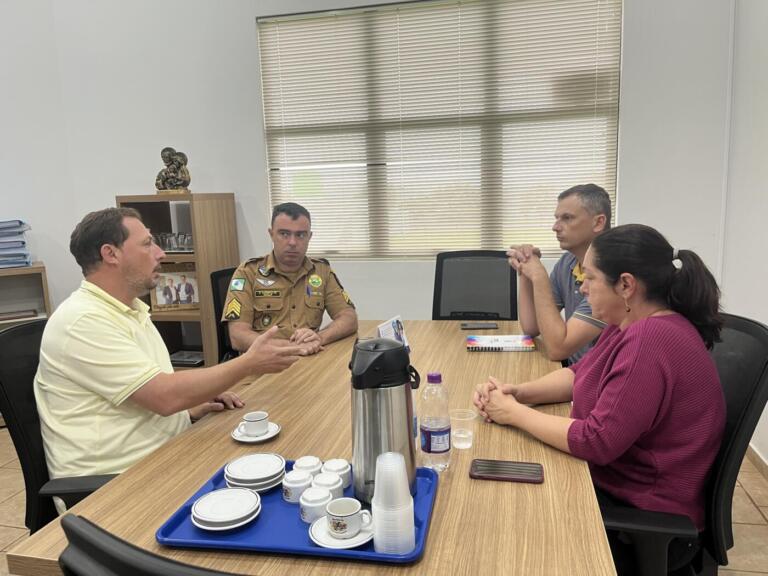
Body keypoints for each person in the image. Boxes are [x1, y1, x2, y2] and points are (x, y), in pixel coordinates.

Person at [474, 224, 726, 573]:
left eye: (589, 277)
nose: (581, 286)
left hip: (639, 515)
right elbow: (579, 375)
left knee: (505, 530)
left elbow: (596, 441)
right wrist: (518, 393)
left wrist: (514, 414)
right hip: (615, 485)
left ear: (626, 284)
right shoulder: (629, 323)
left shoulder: (650, 340)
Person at [34, 207, 302, 483]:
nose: (161, 253)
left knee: (281, 458)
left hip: (163, 453)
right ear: (110, 254)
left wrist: (190, 408)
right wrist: (248, 363)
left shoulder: (130, 310)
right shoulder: (82, 320)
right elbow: (164, 396)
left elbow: (151, 389)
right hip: (114, 483)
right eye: (147, 244)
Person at [223, 202, 358, 356]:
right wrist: (292, 347)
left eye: (300, 235)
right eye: (284, 234)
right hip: (262, 366)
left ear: (309, 236)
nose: (293, 242)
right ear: (271, 234)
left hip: (307, 361)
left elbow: (349, 318)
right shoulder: (248, 273)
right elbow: (238, 336)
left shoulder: (321, 271)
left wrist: (319, 338)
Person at [507, 184, 611, 365]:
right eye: (557, 218)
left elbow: (557, 349)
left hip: (595, 382)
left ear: (598, 222)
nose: (555, 227)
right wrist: (525, 268)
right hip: (572, 372)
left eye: (567, 218)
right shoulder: (567, 262)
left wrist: (539, 276)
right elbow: (532, 328)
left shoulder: (610, 273)